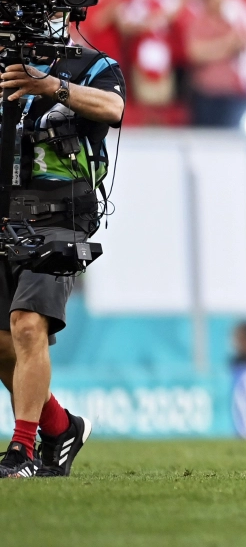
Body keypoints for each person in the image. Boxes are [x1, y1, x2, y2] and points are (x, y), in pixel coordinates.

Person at [0, 23, 126, 477]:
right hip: (5, 210)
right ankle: (61, 427)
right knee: (3, 345)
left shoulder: (93, 65)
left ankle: (22, 451)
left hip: (61, 213)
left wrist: (51, 86)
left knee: (27, 326)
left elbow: (113, 108)